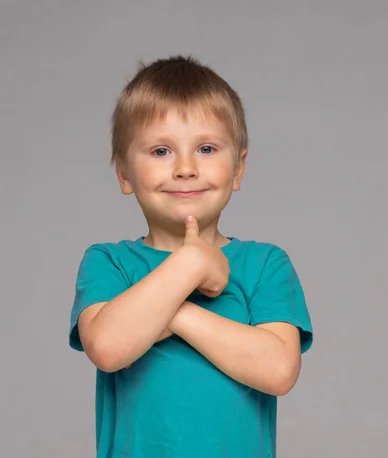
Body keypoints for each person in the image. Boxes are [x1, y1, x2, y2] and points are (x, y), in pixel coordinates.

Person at [68, 54, 313, 458]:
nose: (185, 168)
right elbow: (109, 347)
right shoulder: (108, 262)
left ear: (238, 169)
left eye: (206, 148)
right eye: (161, 151)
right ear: (125, 174)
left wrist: (174, 312)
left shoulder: (265, 265)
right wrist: (189, 265)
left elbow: (278, 370)